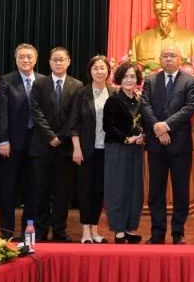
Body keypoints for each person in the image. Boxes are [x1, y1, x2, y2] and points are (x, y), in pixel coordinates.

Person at [141, 45, 194, 244]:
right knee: (156, 190)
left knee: (181, 190)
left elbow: (189, 108)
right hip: (156, 145)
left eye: (172, 55)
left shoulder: (190, 81)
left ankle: (177, 232)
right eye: (165, 55)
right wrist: (158, 129)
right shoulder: (150, 80)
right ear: (159, 58)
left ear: (180, 58)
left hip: (179, 144)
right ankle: (157, 233)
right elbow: (145, 106)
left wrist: (166, 126)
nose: (168, 59)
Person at [30, 47, 83, 242]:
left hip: (65, 146)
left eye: (62, 60)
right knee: (41, 190)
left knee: (63, 192)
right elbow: (36, 112)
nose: (58, 63)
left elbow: (75, 116)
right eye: (55, 60)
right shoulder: (40, 84)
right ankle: (41, 230)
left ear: (68, 61)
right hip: (42, 146)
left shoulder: (77, 85)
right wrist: (50, 135)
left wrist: (60, 136)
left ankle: (60, 230)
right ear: (49, 62)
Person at [0, 43, 45, 239]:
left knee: (34, 188)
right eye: (21, 57)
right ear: (16, 60)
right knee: (8, 188)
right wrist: (3, 140)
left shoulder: (43, 81)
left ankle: (28, 230)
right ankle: (7, 231)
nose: (25, 60)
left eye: (29, 57)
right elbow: (1, 114)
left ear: (35, 59)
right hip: (12, 143)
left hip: (37, 143)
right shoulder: (6, 81)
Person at [69, 56, 116, 244]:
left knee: (99, 191)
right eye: (95, 68)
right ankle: (85, 232)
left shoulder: (113, 93)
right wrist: (76, 148)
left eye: (102, 68)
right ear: (90, 71)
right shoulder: (82, 93)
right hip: (86, 150)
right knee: (85, 190)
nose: (99, 71)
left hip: (107, 151)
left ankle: (95, 231)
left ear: (108, 71)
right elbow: (74, 123)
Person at [103, 62, 145, 244]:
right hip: (117, 150)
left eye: (133, 77)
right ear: (120, 79)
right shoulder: (113, 100)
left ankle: (129, 228)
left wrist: (143, 137)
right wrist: (128, 139)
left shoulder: (139, 100)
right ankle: (119, 231)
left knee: (134, 189)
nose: (129, 80)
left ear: (138, 80)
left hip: (136, 151)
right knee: (117, 189)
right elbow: (108, 127)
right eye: (126, 76)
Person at [129, 0, 194, 65]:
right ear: (153, 7)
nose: (163, 7)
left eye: (169, 2)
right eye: (158, 2)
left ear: (178, 7)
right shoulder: (138, 41)